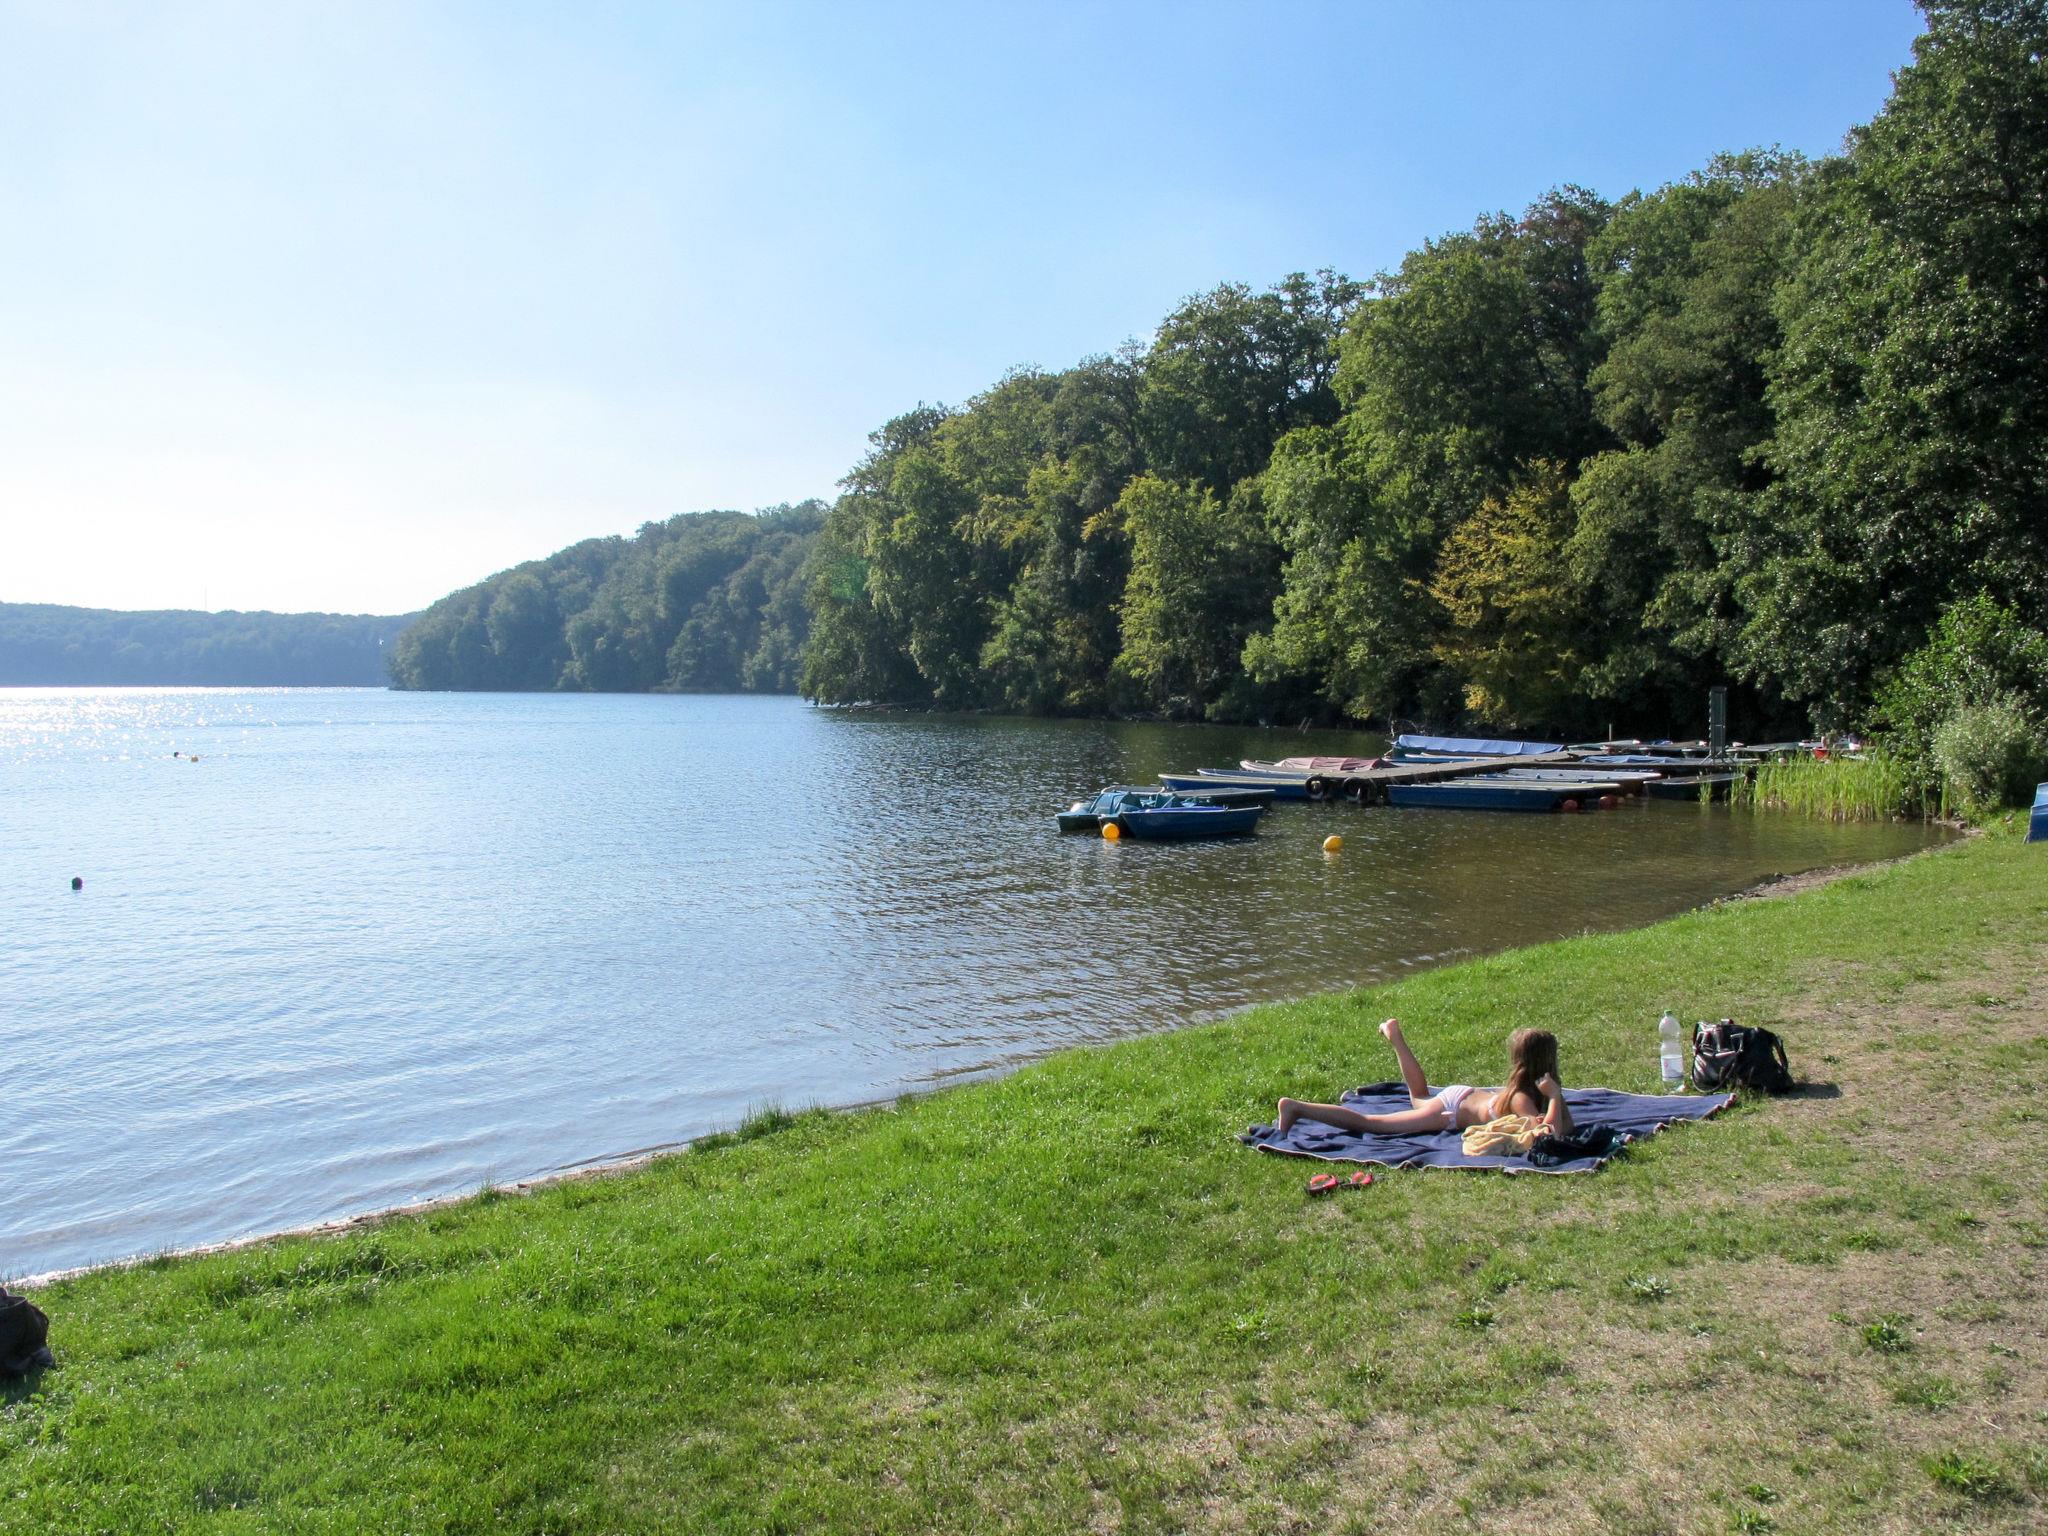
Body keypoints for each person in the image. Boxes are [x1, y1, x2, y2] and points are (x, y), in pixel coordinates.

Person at [1275, 1017, 1573, 1138]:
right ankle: (1296, 1108)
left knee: (1419, 1095)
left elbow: (1564, 1127)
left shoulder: (1526, 1090)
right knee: (1373, 1124)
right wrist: (1554, 1097)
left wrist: (1554, 1097)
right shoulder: (1522, 1098)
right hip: (1450, 1112)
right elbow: (1551, 1135)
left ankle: (1394, 1035)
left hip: (1462, 1095)